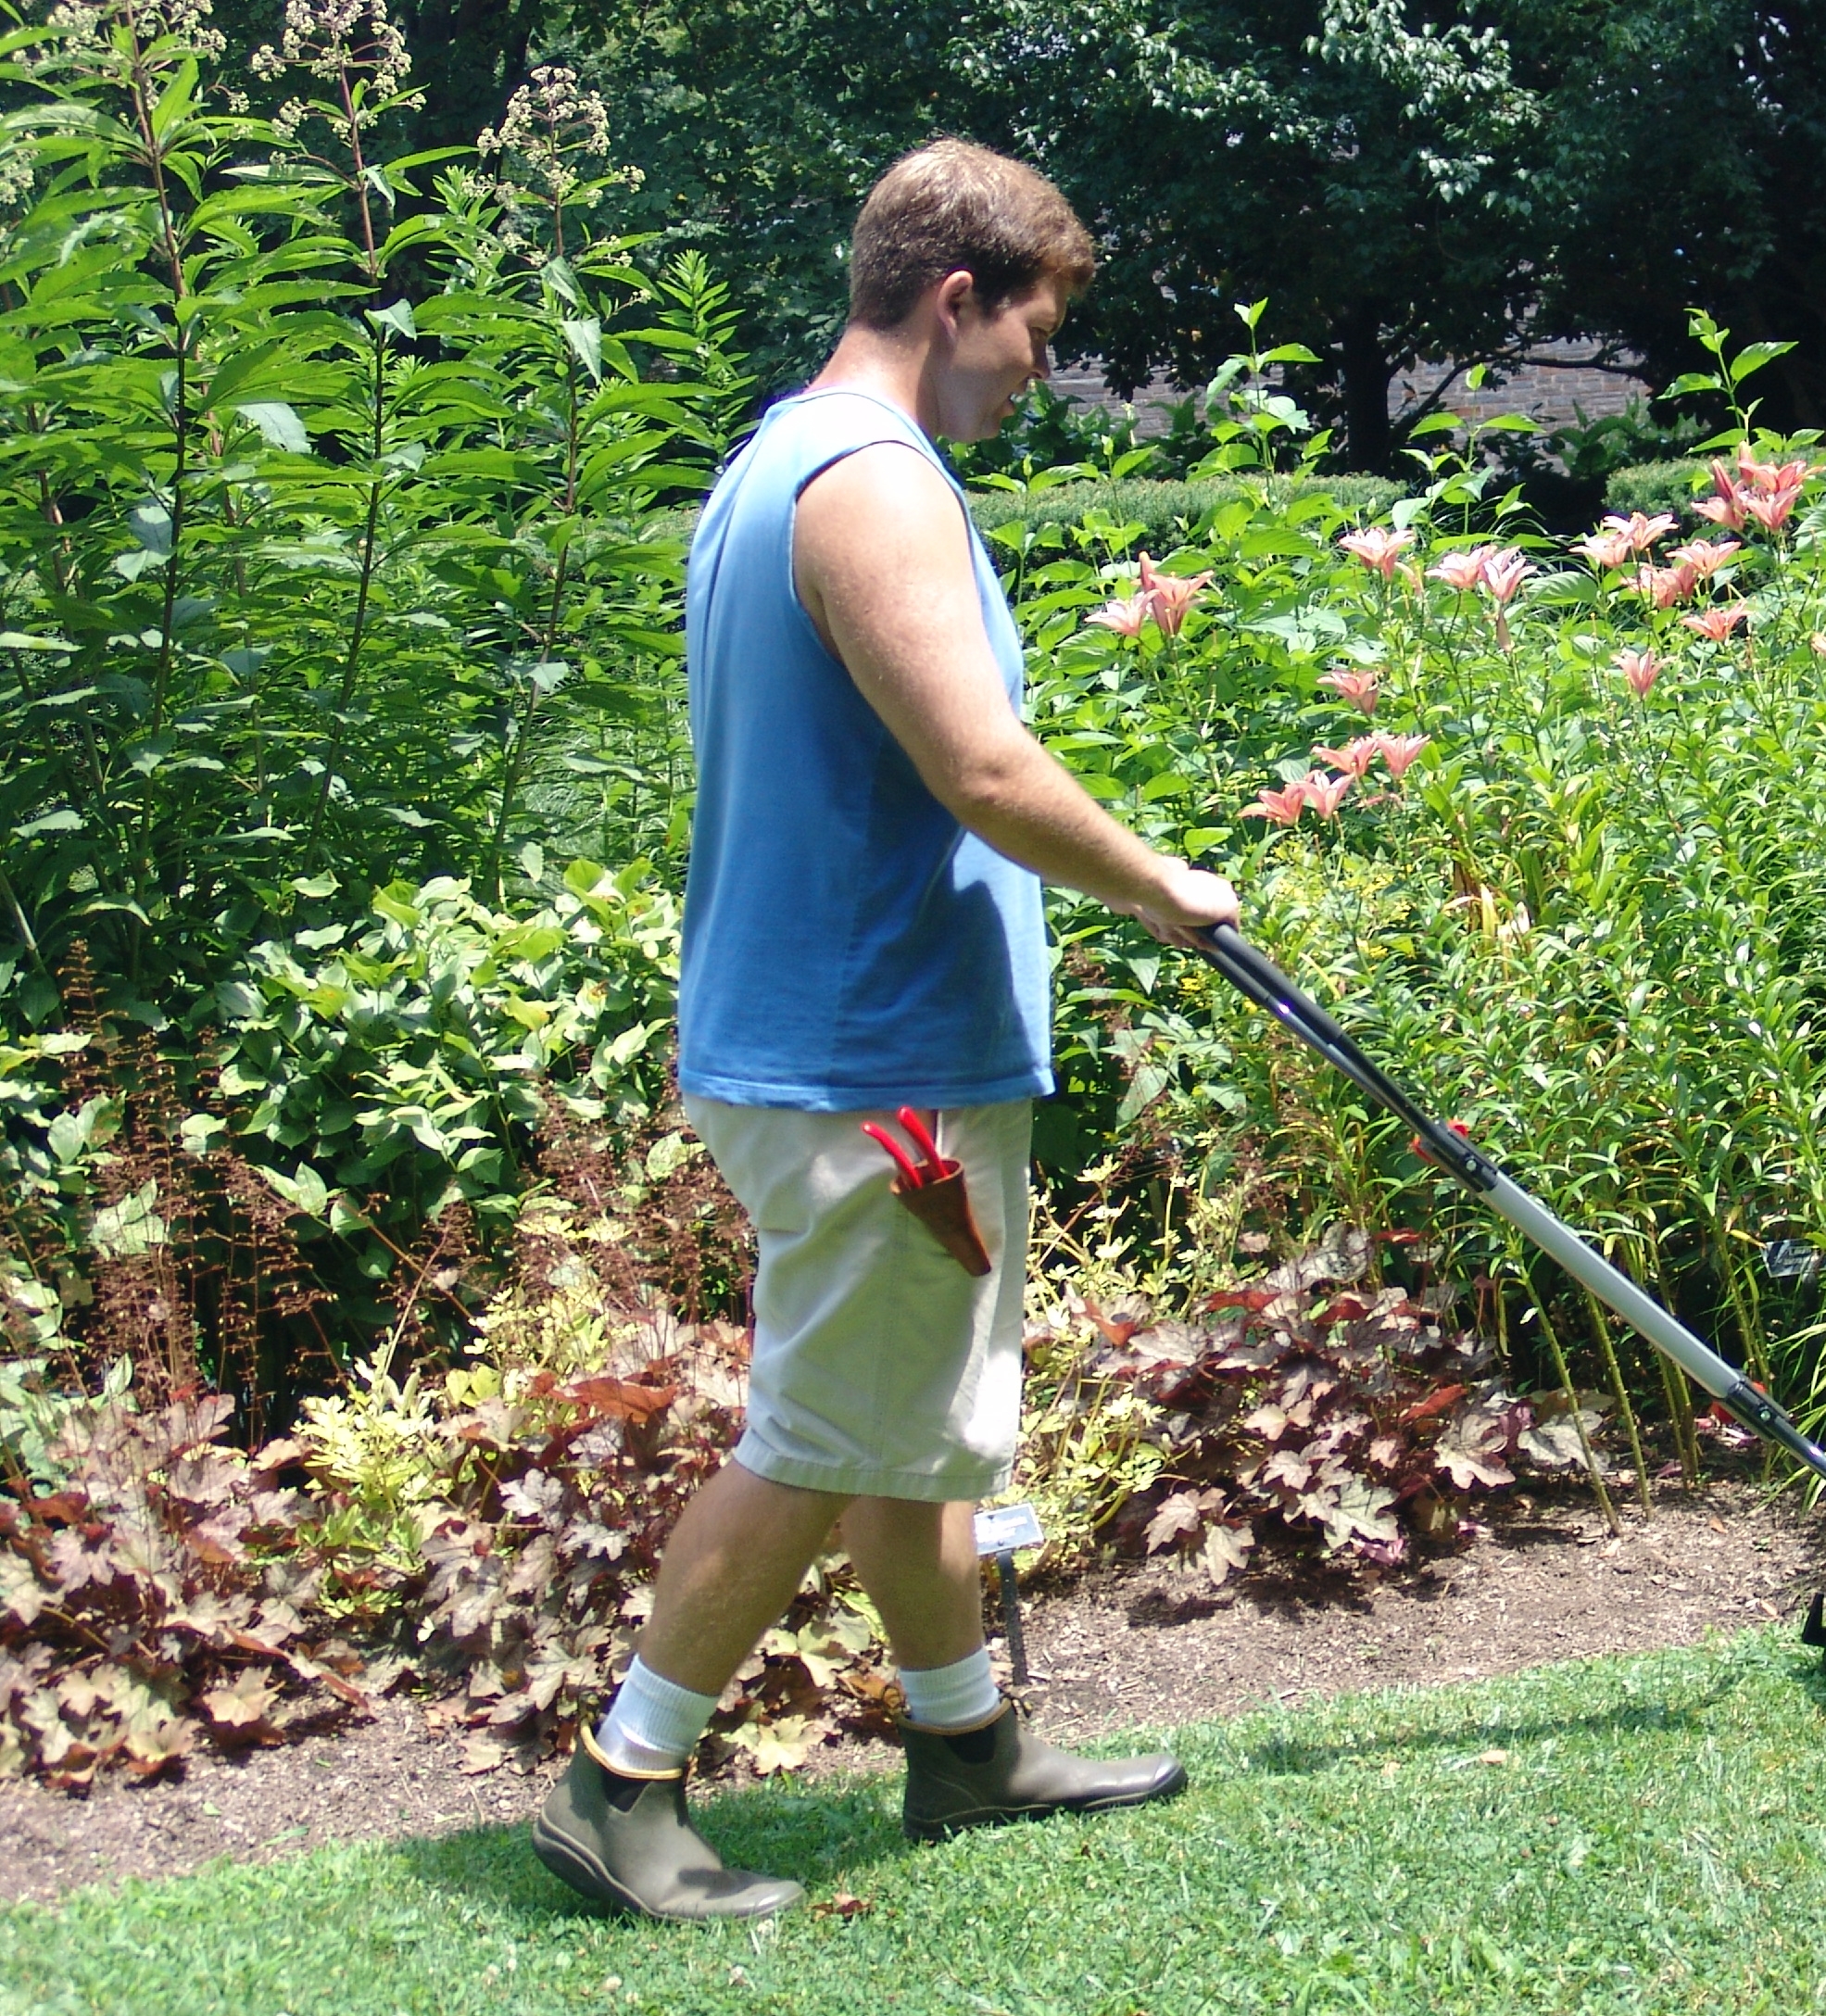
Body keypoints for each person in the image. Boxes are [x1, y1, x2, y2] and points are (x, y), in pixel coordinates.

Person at [532, 138, 1238, 1922]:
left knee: (904, 1415)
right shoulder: (875, 483)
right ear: (954, 300)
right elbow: (981, 764)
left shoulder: (775, 459)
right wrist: (1160, 881)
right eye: (1035, 331)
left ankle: (964, 1743)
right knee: (828, 1427)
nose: (1039, 371)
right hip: (874, 1063)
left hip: (845, 1037)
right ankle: (620, 1777)